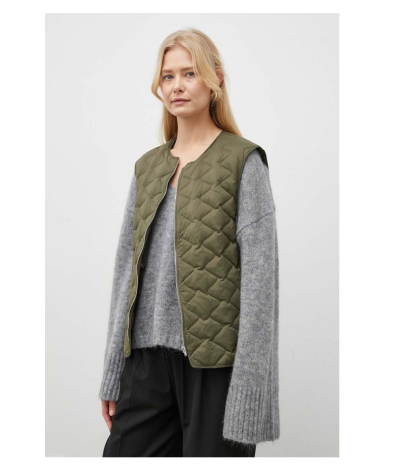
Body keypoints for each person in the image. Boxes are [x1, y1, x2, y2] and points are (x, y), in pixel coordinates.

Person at [99, 27, 279, 457]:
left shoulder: (243, 162)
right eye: (168, 76)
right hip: (145, 363)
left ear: (215, 81)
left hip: (216, 368)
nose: (177, 85)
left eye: (190, 73)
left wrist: (249, 391)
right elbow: (126, 271)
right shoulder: (147, 168)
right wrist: (112, 373)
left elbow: (260, 286)